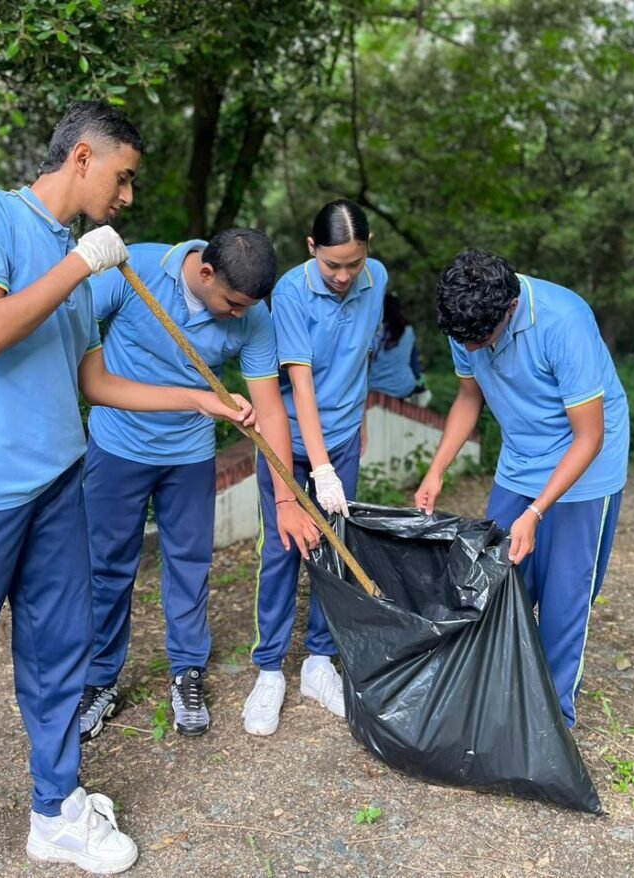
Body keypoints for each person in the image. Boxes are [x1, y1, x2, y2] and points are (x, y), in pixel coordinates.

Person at [0, 101, 254, 878]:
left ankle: (57, 811)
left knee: (59, 657)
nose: (127, 197)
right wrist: (81, 265)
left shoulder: (80, 260)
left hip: (58, 485)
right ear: (82, 158)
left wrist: (199, 401)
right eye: (123, 178)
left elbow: (94, 382)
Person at [79, 230, 321, 742]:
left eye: (247, 307)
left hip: (189, 455)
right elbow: (67, 331)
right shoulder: (133, 271)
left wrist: (285, 498)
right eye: (232, 304)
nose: (239, 315)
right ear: (206, 273)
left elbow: (271, 410)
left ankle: (187, 672)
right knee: (107, 567)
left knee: (190, 567)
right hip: (117, 444)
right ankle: (98, 679)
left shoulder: (252, 315)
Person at [414, 248, 628, 727]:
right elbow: (469, 396)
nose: (471, 350)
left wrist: (536, 512)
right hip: (520, 459)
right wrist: (437, 469)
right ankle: (495, 697)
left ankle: (551, 722)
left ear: (509, 309)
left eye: (480, 341)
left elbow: (589, 436)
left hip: (586, 463)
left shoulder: (564, 320)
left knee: (563, 600)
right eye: (463, 341)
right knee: (495, 582)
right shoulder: (467, 318)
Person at [242, 199, 388, 736]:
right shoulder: (289, 292)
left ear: (369, 250)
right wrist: (320, 469)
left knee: (334, 546)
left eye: (354, 263)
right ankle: (269, 669)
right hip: (292, 442)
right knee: (282, 550)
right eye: (332, 265)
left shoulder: (377, 279)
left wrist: (360, 418)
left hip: (342, 439)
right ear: (311, 249)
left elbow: (362, 356)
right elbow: (300, 385)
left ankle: (319, 661)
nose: (344, 276)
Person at [368, 294, 426, 401]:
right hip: (403, 388)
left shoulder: (373, 332)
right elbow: (415, 365)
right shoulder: (408, 331)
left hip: (374, 387)